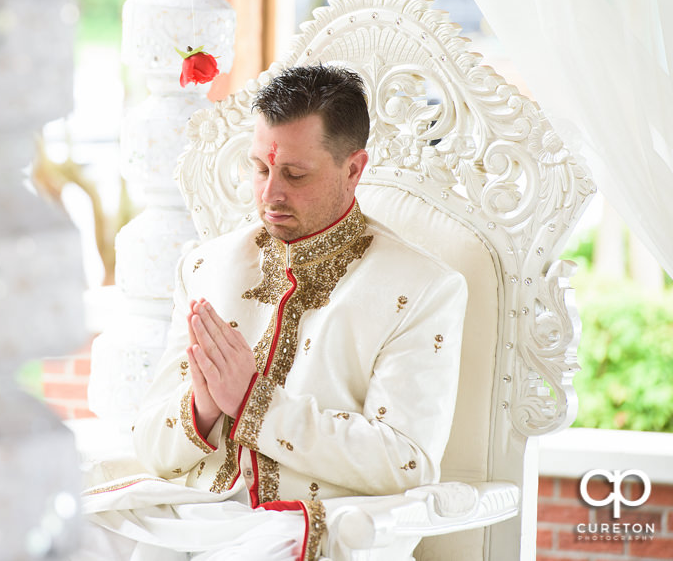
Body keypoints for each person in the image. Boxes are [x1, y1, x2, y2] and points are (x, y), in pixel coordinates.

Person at [79, 65, 467, 560]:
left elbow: (405, 461)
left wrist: (252, 401)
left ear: (354, 169)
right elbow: (153, 447)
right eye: (260, 168)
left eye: (294, 174)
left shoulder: (422, 289)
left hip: (303, 528)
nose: (270, 194)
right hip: (188, 512)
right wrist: (202, 407)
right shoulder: (206, 267)